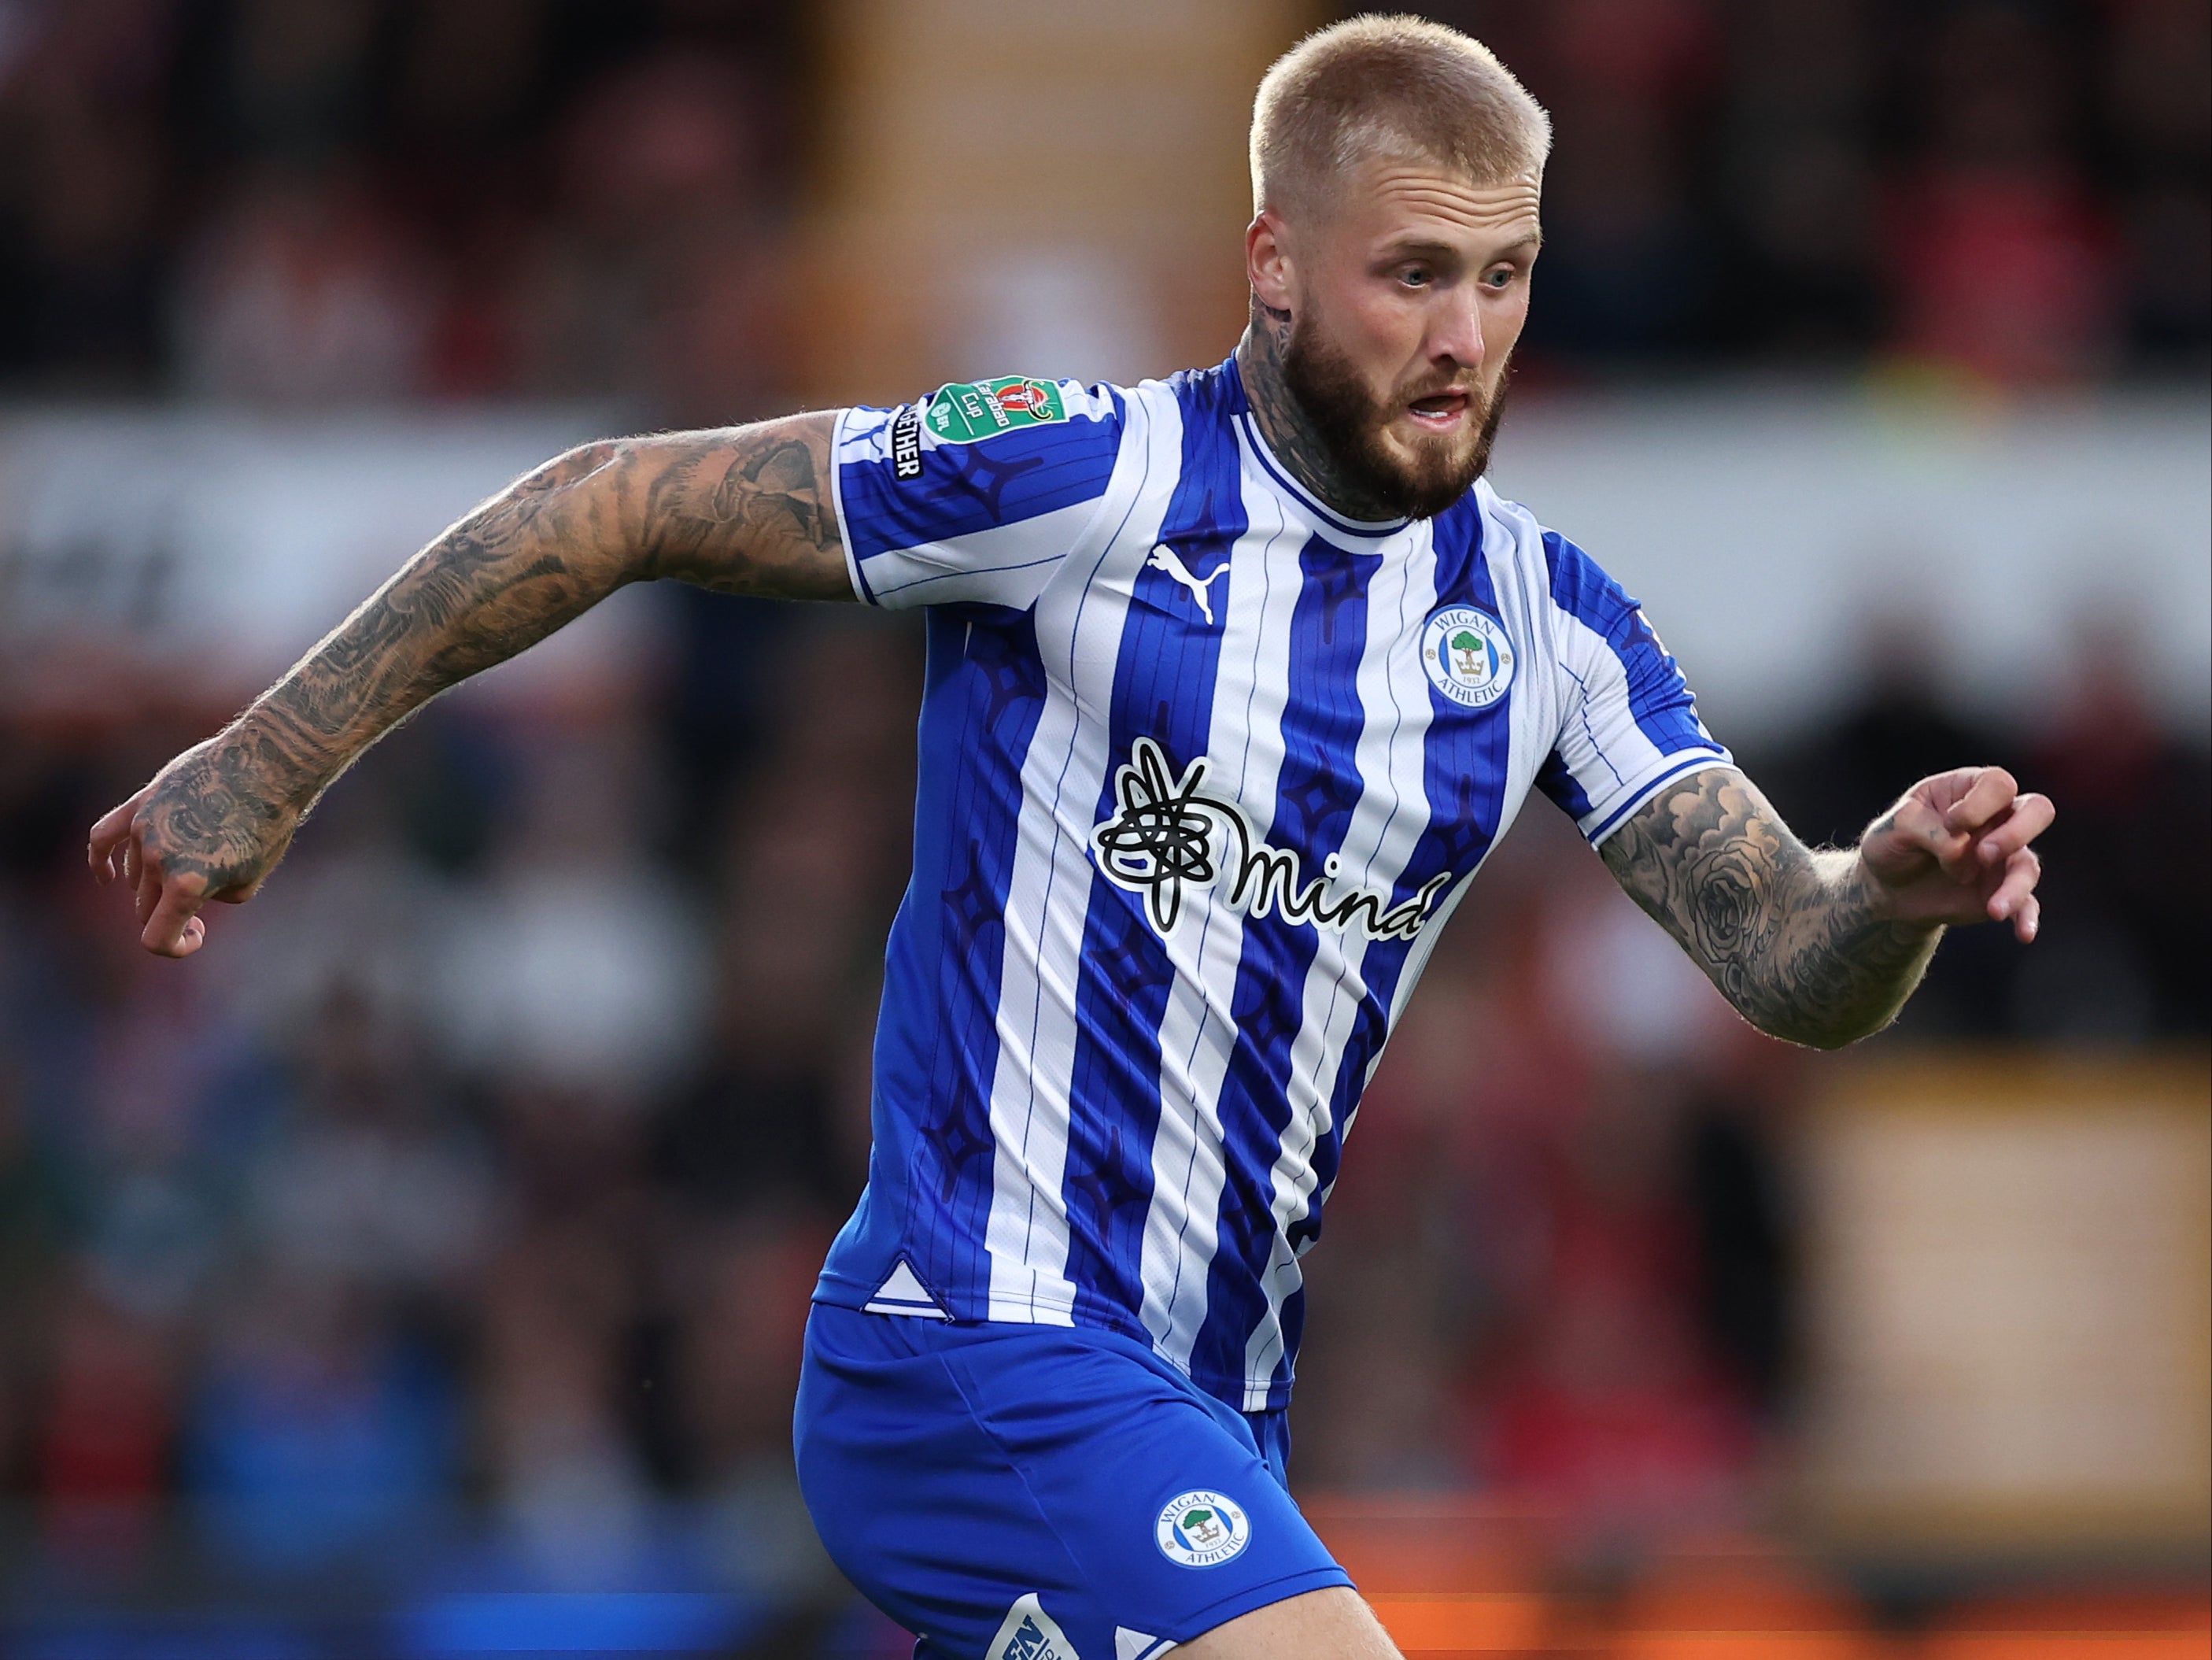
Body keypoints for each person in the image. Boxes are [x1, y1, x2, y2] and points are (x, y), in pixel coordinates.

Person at [87, 18, 2053, 1660]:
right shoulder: (1090, 476)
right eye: (1412, 272)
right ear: (1275, 262)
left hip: (1210, 1411)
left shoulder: (1547, 621)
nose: (1467, 333)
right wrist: (269, 760)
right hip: (970, 1353)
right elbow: (619, 499)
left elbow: (1784, 966)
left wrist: (1882, 892)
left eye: (1505, 272)